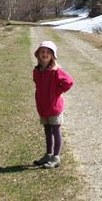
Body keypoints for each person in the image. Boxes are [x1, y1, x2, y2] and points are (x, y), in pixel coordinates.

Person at [32, 40, 74, 169]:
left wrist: (57, 91)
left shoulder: (56, 71)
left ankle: (56, 157)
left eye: (47, 53)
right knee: (47, 130)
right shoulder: (37, 70)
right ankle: (48, 154)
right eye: (42, 52)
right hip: (43, 107)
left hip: (54, 107)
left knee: (55, 130)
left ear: (52, 56)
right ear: (38, 55)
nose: (44, 54)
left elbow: (69, 82)